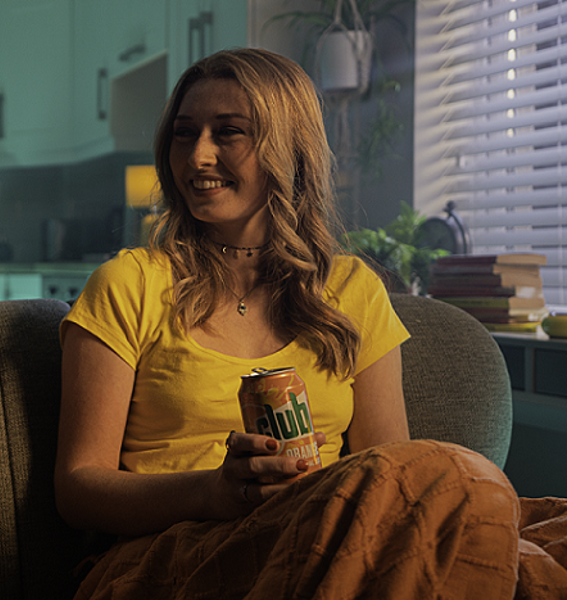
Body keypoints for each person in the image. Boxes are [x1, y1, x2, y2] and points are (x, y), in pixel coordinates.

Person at [55, 48, 567, 599]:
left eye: (228, 133)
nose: (198, 155)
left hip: (325, 533)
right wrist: (214, 493)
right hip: (169, 551)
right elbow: (79, 487)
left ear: (288, 150)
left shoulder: (353, 291)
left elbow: (391, 471)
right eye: (184, 133)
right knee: (471, 496)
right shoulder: (129, 283)